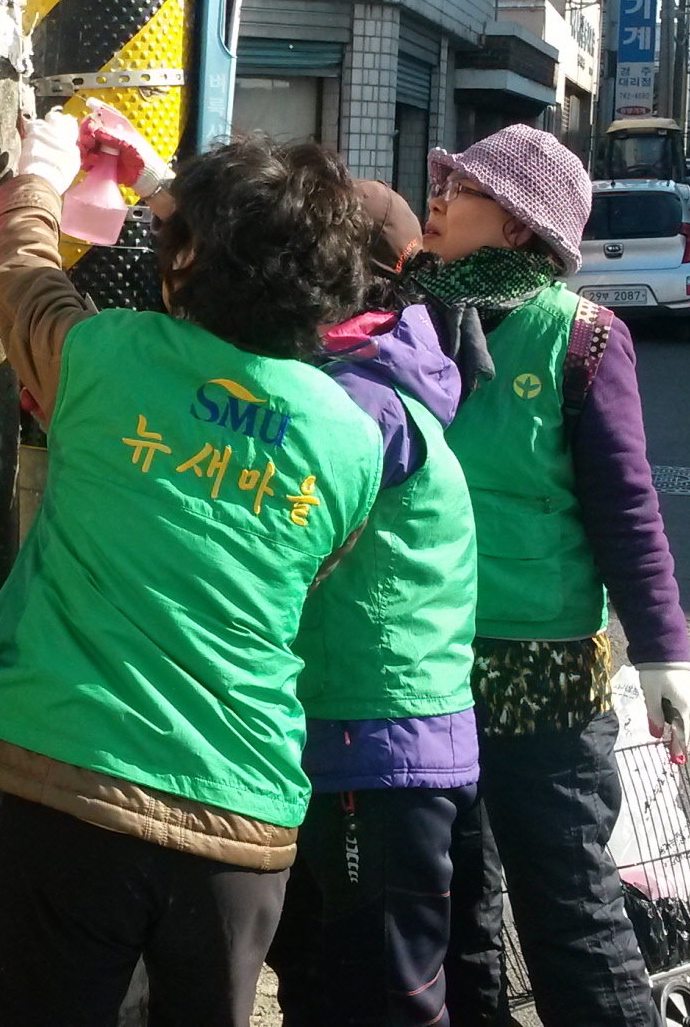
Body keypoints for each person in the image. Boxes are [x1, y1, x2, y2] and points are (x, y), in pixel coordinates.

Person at [0, 123, 382, 1027]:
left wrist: (36, 176)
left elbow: (20, 278)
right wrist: (170, 194)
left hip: (77, 783)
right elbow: (311, 572)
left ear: (188, 261)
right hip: (242, 818)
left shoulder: (107, 358)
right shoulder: (350, 438)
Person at [412, 126, 690, 1027]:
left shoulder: (584, 341)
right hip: (422, 669)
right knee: (456, 908)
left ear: (516, 228)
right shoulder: (401, 315)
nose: (441, 192)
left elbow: (628, 508)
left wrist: (664, 652)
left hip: (544, 683)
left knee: (570, 912)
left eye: (464, 187)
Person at [268, 181, 481, 1026]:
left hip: (374, 741)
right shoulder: (379, 363)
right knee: (327, 980)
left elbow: (279, 541)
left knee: (378, 997)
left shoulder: (358, 400)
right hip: (372, 736)